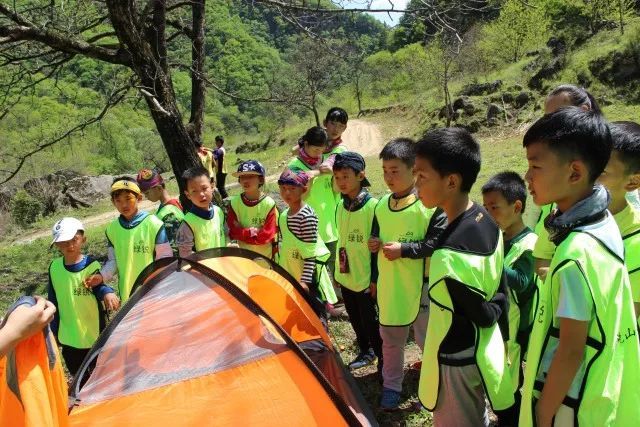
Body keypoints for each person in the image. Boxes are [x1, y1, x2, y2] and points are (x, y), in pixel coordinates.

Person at [519, 107, 640, 426]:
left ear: (575, 173)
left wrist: (543, 413)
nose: (527, 177)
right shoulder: (605, 220)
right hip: (602, 391)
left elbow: (571, 350)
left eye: (535, 166)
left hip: (571, 406)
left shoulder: (575, 254)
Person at [414, 128, 513, 427]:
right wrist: (500, 301)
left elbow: (483, 314)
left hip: (457, 358)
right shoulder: (484, 217)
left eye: (422, 176)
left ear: (452, 181)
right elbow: (498, 286)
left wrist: (495, 306)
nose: (416, 185)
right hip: (484, 349)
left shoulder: (448, 254)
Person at [367, 138, 437, 411]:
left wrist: (405, 250)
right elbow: (377, 235)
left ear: (414, 169)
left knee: (427, 341)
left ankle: (432, 387)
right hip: (390, 285)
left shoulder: (427, 204)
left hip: (422, 286)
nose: (388, 177)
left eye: (395, 171)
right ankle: (392, 387)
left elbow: (437, 243)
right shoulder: (381, 204)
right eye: (385, 171)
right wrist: (375, 245)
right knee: (391, 339)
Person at [482, 171, 539, 414]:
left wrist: (492, 260)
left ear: (516, 207)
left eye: (494, 207)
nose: (488, 214)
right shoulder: (498, 237)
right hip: (499, 322)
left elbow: (522, 281)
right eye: (485, 208)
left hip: (517, 329)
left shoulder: (530, 243)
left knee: (511, 381)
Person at [47, 217, 119, 377]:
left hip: (92, 332)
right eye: (64, 242)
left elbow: (98, 286)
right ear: (57, 245)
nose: (70, 245)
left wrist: (107, 292)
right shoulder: (54, 268)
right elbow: (53, 301)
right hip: (68, 335)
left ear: (83, 239)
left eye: (74, 240)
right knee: (77, 373)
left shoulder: (90, 265)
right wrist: (53, 330)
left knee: (99, 372)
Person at [331, 152, 382, 371]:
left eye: (346, 176)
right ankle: (365, 350)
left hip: (365, 278)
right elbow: (341, 241)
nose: (341, 182)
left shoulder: (375, 207)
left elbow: (377, 249)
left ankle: (381, 359)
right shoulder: (340, 206)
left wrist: (375, 279)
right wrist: (338, 272)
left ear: (361, 176)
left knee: (371, 321)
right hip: (347, 276)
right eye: (337, 177)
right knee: (354, 318)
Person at [84, 177, 172, 303]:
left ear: (139, 198)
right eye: (118, 200)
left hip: (153, 293)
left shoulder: (153, 224)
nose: (124, 205)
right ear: (113, 202)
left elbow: (164, 259)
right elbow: (113, 261)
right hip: (128, 296)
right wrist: (102, 276)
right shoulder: (112, 230)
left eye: (128, 199)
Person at [276, 168, 337, 317]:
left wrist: (305, 281)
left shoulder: (306, 217)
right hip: (292, 268)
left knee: (314, 310)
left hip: (307, 274)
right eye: (283, 188)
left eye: (292, 188)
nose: (287, 193)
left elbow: (311, 254)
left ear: (303, 190)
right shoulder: (285, 214)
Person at [597, 121, 640, 320]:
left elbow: (629, 313)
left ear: (633, 182)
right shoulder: (567, 217)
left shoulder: (635, 240)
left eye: (601, 171)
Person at [227, 160, 278, 259]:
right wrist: (252, 232)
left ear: (261, 180)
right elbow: (233, 232)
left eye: (250, 176)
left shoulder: (269, 204)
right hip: (243, 257)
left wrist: (242, 232)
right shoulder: (234, 203)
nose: (245, 181)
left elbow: (266, 236)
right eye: (242, 177)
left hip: (265, 259)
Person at [176, 166, 226, 257]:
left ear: (212, 186)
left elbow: (226, 235)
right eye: (194, 191)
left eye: (204, 188)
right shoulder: (188, 223)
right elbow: (185, 254)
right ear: (188, 195)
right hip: (204, 266)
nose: (201, 194)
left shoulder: (218, 211)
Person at [136, 168, 184, 255]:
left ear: (159, 188)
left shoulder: (170, 214)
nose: (146, 197)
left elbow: (173, 249)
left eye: (147, 193)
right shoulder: (168, 205)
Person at [213, 135, 229, 199]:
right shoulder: (221, 149)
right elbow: (214, 151)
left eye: (216, 142)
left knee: (220, 188)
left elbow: (215, 156)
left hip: (221, 171)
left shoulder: (220, 150)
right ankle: (225, 200)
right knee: (219, 187)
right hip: (221, 171)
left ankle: (227, 200)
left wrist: (209, 155)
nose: (215, 143)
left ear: (220, 142)